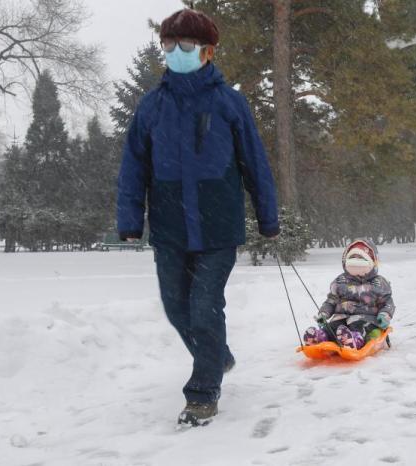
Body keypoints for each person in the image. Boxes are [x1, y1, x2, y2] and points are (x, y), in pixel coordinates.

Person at [117, 9, 279, 427]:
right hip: (170, 227)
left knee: (205, 307)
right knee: (176, 308)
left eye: (185, 46)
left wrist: (267, 216)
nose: (175, 52)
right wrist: (131, 220)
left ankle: (203, 392)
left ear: (207, 52)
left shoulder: (229, 103)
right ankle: (217, 356)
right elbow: (134, 167)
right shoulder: (152, 106)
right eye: (169, 45)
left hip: (218, 226)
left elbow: (254, 163)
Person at [303, 239, 395, 349]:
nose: (357, 262)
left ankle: (356, 340)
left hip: (366, 318)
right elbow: (331, 301)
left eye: (361, 259)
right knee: (332, 327)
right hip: (341, 317)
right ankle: (320, 338)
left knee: (360, 326)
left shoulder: (379, 283)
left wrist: (384, 315)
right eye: (353, 259)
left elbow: (387, 303)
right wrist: (323, 313)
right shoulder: (340, 281)